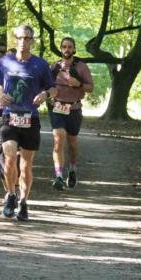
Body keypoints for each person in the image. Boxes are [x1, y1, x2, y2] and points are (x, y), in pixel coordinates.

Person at [0, 25, 57, 222]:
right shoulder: (5, 61)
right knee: (10, 158)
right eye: (20, 37)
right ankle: (11, 196)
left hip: (30, 117)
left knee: (26, 165)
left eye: (27, 38)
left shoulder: (40, 64)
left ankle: (24, 202)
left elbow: (53, 89)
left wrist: (44, 94)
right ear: (15, 39)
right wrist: (1, 96)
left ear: (32, 41)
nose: (23, 41)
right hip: (9, 116)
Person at [49, 36, 94, 190]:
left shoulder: (81, 66)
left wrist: (79, 84)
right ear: (61, 49)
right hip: (57, 108)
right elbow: (46, 85)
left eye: (69, 47)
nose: (67, 49)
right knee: (58, 138)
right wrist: (49, 92)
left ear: (74, 49)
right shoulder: (54, 66)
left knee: (72, 144)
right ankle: (59, 176)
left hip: (74, 109)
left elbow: (90, 87)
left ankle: (72, 168)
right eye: (64, 47)